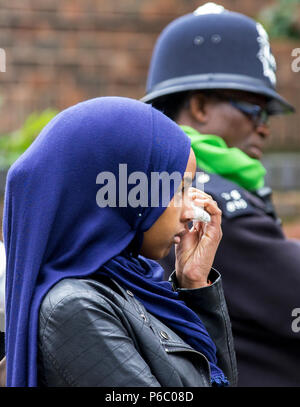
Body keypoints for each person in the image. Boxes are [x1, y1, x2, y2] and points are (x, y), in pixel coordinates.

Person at [3, 96, 237, 387]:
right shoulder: (76, 309)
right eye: (178, 189)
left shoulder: (135, 283)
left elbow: (217, 378)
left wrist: (195, 284)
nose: (192, 211)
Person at [142, 3, 300, 387]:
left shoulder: (157, 182)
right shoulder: (204, 205)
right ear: (198, 106)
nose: (264, 128)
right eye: (254, 109)